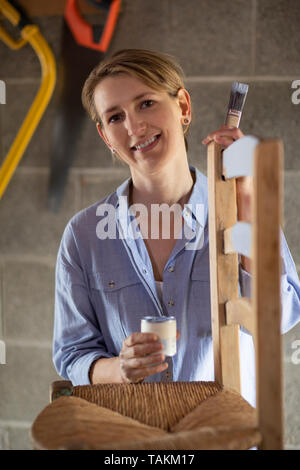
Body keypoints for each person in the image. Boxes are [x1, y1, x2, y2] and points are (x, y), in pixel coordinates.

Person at [53, 49, 300, 407]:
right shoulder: (84, 235)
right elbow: (72, 355)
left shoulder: (243, 209)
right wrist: (120, 368)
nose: (134, 127)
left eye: (147, 103)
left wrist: (245, 201)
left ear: (183, 106)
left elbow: (279, 318)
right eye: (115, 117)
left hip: (226, 438)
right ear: (106, 136)